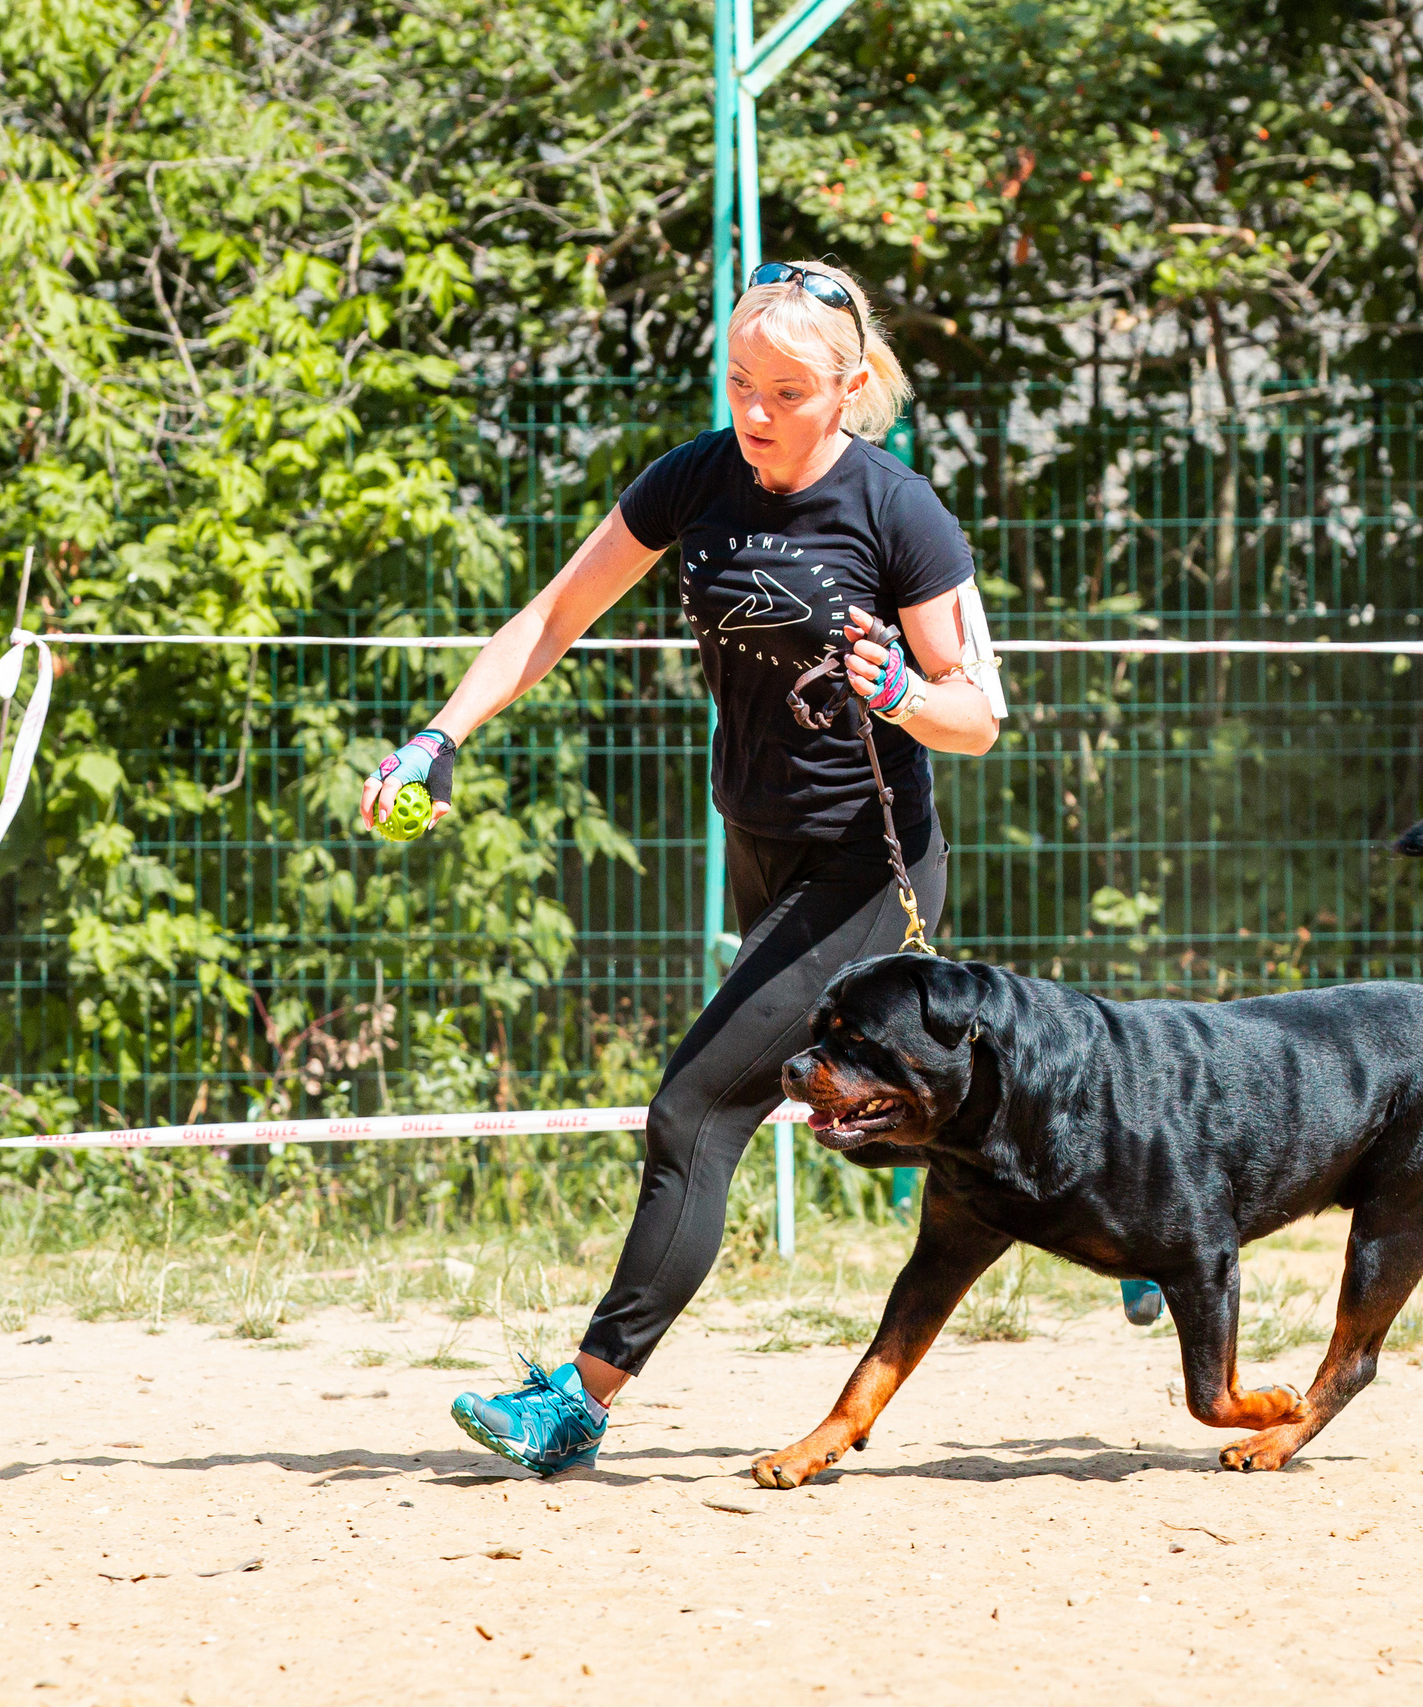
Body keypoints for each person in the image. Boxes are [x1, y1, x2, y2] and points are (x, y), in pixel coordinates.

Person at [360, 260, 1009, 1474]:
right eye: (738, 384)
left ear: (851, 388)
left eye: (788, 390)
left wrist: (907, 695)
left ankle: (577, 1405)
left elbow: (979, 712)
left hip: (865, 868)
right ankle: (1124, 1224)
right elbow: (553, 616)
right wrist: (438, 736)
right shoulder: (695, 480)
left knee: (697, 1109)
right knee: (864, 1108)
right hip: (763, 848)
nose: (756, 413)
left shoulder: (899, 510)